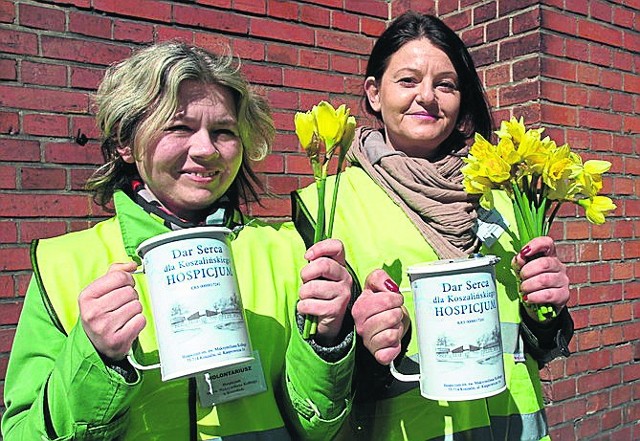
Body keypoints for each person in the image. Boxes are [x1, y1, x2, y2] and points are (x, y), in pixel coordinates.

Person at [2, 41, 355, 441]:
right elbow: (22, 434)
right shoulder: (62, 266)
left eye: (223, 131)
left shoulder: (290, 252)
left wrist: (329, 341)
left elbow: (319, 425)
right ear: (125, 141)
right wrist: (94, 359)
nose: (205, 150)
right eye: (178, 128)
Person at [292, 11, 574, 441]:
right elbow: (316, 391)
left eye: (445, 84)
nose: (427, 97)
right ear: (373, 92)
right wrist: (363, 347)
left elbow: (534, 346)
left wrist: (547, 311)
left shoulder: (502, 198)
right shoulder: (325, 207)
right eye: (408, 81)